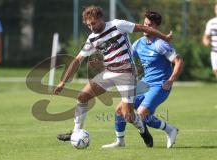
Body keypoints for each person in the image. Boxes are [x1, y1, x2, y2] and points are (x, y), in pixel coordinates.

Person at [55, 6, 172, 146]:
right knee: (82, 96)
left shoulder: (118, 25)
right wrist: (63, 82)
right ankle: (76, 131)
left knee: (128, 116)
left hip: (126, 73)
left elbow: (144, 28)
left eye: (93, 23)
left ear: (100, 19)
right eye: (88, 25)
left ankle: (143, 131)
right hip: (109, 72)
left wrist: (164, 37)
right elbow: (77, 60)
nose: (91, 27)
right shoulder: (92, 39)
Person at [102, 11, 184, 148]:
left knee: (141, 115)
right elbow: (126, 59)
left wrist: (171, 80)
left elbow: (179, 61)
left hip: (160, 85)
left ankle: (170, 130)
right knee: (120, 110)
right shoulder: (139, 43)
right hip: (145, 84)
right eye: (145, 24)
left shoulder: (160, 44)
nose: (146, 27)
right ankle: (120, 141)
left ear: (156, 27)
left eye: (150, 25)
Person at [203, 3, 217, 79]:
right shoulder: (211, 22)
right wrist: (206, 41)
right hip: (214, 51)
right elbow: (206, 36)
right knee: (215, 70)